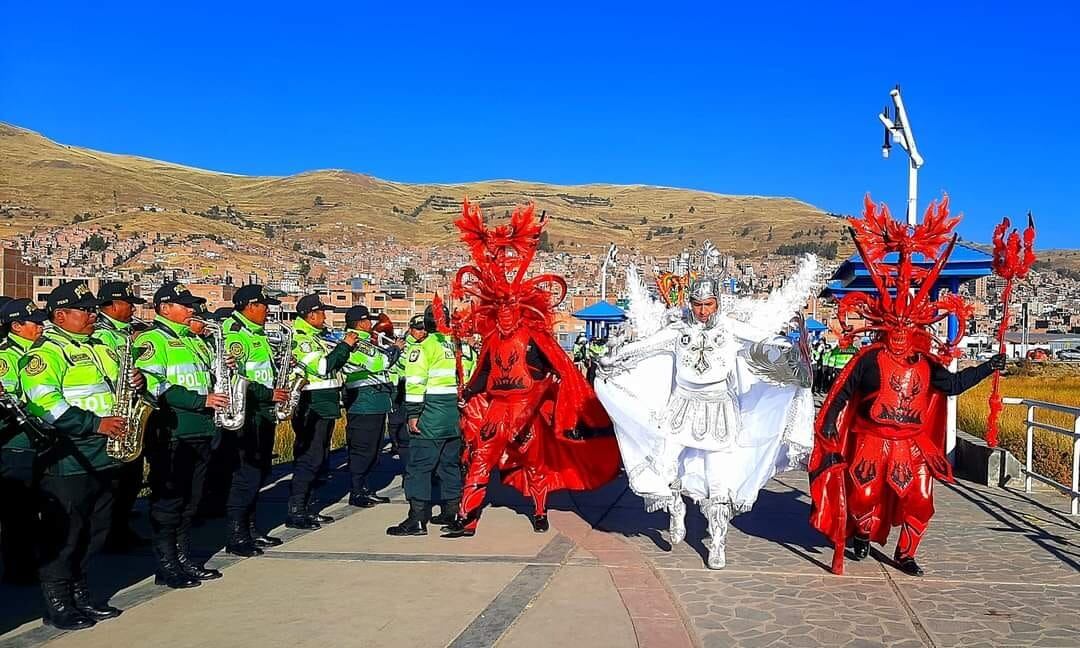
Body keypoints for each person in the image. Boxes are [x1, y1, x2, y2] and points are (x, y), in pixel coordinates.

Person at [810, 196, 1005, 577]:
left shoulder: (929, 364)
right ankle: (863, 536)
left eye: (907, 328)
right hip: (871, 440)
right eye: (895, 328)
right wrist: (830, 427)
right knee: (863, 495)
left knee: (919, 500)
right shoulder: (868, 359)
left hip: (912, 443)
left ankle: (906, 553)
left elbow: (952, 385)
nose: (900, 335)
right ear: (886, 327)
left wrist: (986, 368)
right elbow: (843, 393)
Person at [596, 256, 818, 569]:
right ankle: (675, 507)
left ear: (717, 303)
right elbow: (646, 346)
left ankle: (717, 542)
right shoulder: (678, 330)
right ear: (690, 303)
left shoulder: (730, 329)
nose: (702, 311)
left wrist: (791, 353)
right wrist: (616, 357)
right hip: (681, 408)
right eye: (698, 304)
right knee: (663, 464)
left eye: (709, 304)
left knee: (718, 480)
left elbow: (764, 341)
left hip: (720, 412)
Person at [442, 200, 621, 538]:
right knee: (480, 461)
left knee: (535, 465)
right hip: (497, 410)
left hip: (528, 410)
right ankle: (466, 519)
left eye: (512, 305)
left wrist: (551, 397)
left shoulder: (535, 339)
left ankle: (539, 510)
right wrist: (468, 395)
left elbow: (559, 372)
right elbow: (483, 376)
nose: (507, 311)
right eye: (502, 306)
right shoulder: (493, 341)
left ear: (521, 308)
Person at [21, 281, 143, 629]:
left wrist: (137, 382)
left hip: (107, 454)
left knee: (96, 530)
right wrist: (94, 423)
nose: (92, 315)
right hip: (70, 458)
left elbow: (118, 386)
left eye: (93, 309)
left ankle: (80, 591)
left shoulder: (101, 346)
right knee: (66, 534)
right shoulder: (44, 355)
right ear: (60, 315)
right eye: (85, 310)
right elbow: (45, 404)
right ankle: (58, 603)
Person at [134, 282, 230, 588]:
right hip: (173, 430)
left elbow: (206, 378)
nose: (192, 310)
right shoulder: (153, 339)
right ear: (165, 309)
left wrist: (222, 367)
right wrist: (199, 401)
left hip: (202, 428)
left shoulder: (194, 340)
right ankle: (166, 565)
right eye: (185, 305)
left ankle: (183, 558)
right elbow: (154, 384)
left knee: (191, 500)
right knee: (169, 501)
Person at [221, 285, 289, 556]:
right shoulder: (235, 335)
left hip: (263, 412)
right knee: (245, 476)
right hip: (246, 414)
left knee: (259, 472)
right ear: (250, 306)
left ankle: (250, 528)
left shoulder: (256, 334)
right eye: (264, 306)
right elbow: (236, 378)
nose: (268, 311)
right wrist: (268, 393)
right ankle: (237, 535)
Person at [387, 304, 461, 536]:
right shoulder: (458, 345)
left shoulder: (422, 347)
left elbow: (415, 383)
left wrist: (413, 414)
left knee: (419, 466)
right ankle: (452, 511)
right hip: (453, 413)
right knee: (449, 464)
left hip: (430, 411)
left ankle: (417, 519)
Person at [285, 294, 357, 529]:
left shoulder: (318, 337)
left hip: (325, 403)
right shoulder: (303, 339)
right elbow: (324, 367)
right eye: (322, 312)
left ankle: (309, 507)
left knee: (320, 459)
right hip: (311, 403)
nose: (325, 317)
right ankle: (297, 510)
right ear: (311, 315)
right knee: (310, 458)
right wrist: (344, 346)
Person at [92, 281, 151, 553]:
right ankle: (112, 534)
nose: (132, 309)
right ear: (113, 305)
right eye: (129, 304)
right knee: (117, 481)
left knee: (131, 477)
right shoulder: (101, 335)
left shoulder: (125, 333)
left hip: (129, 408)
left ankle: (120, 527)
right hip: (111, 413)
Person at [0, 298, 50, 585]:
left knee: (37, 507)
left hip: (43, 441)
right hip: (19, 444)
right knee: (18, 512)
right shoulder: (6, 358)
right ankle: (18, 569)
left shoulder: (44, 351)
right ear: (16, 326)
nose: (41, 327)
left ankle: (35, 560)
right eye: (35, 323)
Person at [341, 305, 402, 507]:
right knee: (363, 450)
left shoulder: (367, 341)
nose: (372, 325)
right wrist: (396, 349)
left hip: (375, 403)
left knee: (373, 450)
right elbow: (380, 363)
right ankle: (357, 491)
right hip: (364, 403)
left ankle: (365, 488)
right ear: (361, 323)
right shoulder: (358, 343)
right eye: (369, 321)